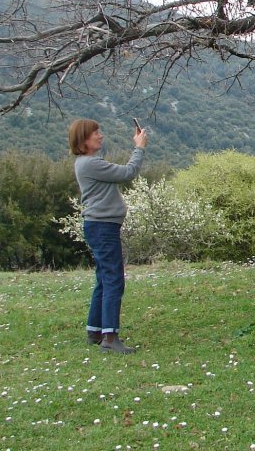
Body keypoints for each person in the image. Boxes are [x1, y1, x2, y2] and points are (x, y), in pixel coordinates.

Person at [68, 118, 149, 354]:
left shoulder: (86, 163)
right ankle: (110, 337)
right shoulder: (91, 164)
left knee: (104, 278)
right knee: (114, 279)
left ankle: (95, 330)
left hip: (98, 226)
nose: (100, 136)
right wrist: (139, 147)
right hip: (103, 227)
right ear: (84, 140)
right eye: (96, 133)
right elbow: (128, 172)